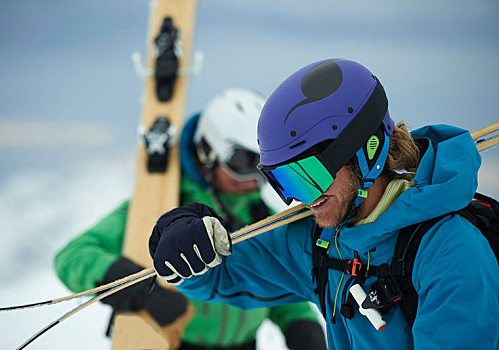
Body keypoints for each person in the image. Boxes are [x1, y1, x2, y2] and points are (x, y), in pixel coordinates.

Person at [148, 60, 499, 349]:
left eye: (309, 174)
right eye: (285, 181)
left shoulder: (450, 252)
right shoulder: (322, 242)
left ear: (369, 152)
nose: (303, 197)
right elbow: (220, 273)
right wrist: (181, 236)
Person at [54, 88, 326, 350]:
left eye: (264, 165)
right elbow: (72, 256)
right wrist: (140, 291)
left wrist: (302, 328)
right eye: (242, 162)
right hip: (173, 343)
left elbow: (274, 278)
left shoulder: (260, 216)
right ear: (208, 153)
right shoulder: (161, 207)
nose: (255, 179)